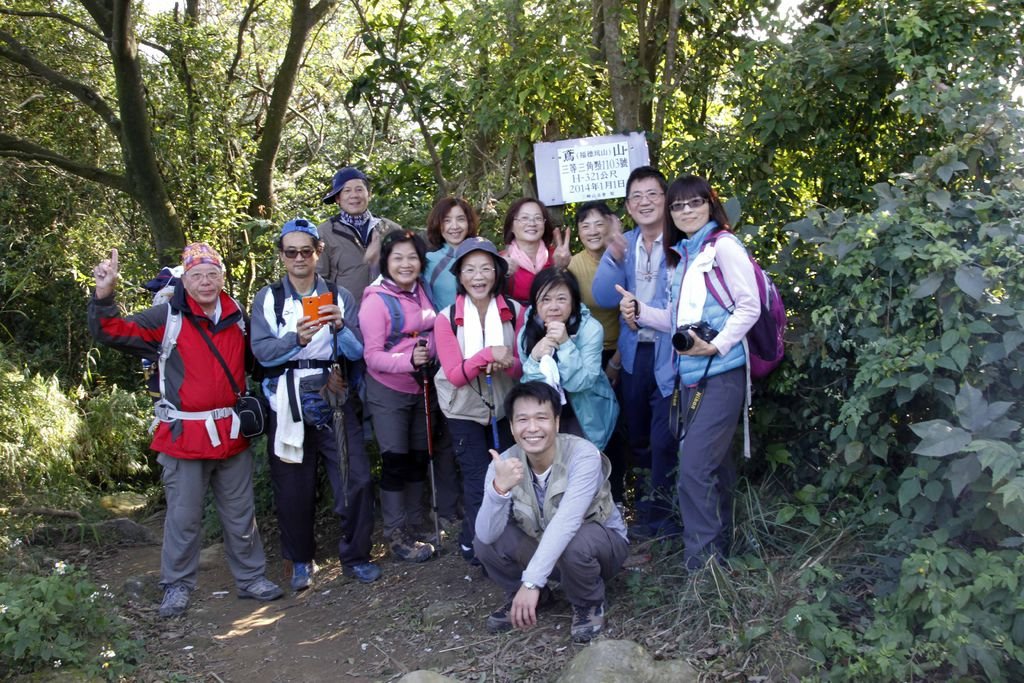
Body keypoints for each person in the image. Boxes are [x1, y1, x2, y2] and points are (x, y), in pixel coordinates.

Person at [89, 243, 282, 618]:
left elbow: (257, 359)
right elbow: (112, 331)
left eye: (213, 274)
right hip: (184, 434)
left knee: (241, 513)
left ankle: (251, 578)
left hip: (231, 431)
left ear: (223, 278)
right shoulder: (168, 316)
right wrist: (105, 293)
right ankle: (176, 586)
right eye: (197, 275)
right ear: (185, 278)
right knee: (183, 516)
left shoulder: (237, 314)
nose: (206, 282)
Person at [620, 175, 759, 570]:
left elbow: (750, 308)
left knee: (694, 470)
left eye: (694, 203)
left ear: (710, 205)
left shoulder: (723, 247)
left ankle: (703, 569)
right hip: (693, 374)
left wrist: (716, 345)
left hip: (722, 372)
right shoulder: (684, 253)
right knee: (714, 467)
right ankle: (723, 549)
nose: (686, 211)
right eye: (679, 206)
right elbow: (678, 320)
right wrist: (640, 311)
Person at [250, 219, 381, 589]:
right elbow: (261, 352)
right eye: (290, 251)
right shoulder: (270, 299)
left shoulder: (340, 296)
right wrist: (296, 340)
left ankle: (356, 556)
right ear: (281, 255)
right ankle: (300, 561)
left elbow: (361, 352)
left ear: (318, 253)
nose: (298, 258)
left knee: (354, 475)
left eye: (306, 250)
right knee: (292, 484)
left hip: (333, 390)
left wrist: (340, 328)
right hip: (286, 398)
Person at [474, 381, 629, 643]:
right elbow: (485, 535)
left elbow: (567, 521)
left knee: (574, 540)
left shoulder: (583, 455)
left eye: (541, 418)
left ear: (556, 423)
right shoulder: (505, 463)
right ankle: (534, 597)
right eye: (522, 419)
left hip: (600, 548)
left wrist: (531, 580)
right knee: (486, 541)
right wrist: (498, 490)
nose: (532, 428)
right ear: (511, 427)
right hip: (547, 551)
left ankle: (587, 602)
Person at [592, 166, 679, 539]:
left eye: (652, 194)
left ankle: (667, 513)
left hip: (669, 355)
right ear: (628, 206)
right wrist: (611, 258)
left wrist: (646, 310)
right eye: (636, 197)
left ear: (666, 200)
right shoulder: (624, 244)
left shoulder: (680, 243)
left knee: (664, 437)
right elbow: (600, 295)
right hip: (633, 356)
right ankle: (646, 513)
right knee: (639, 435)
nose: (645, 202)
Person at [433, 237, 524, 564]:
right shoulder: (446, 318)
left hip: (503, 408)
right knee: (476, 480)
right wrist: (486, 356)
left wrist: (507, 362)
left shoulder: (514, 311)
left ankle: (506, 540)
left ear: (498, 272)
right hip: (464, 411)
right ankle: (480, 549)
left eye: (486, 268)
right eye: (469, 269)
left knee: (509, 475)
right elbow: (455, 374)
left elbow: (523, 367)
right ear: (459, 275)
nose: (478, 276)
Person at [358, 230, 438, 562]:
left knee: (420, 455)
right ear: (386, 262)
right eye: (398, 258)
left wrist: (430, 350)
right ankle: (396, 533)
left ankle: (416, 521)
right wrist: (408, 360)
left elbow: (435, 330)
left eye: (412, 257)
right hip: (388, 388)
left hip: (422, 385)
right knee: (395, 459)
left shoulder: (423, 290)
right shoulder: (376, 300)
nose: (406, 264)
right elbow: (371, 355)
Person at [566, 201, 627, 503]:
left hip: (626, 351)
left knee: (625, 427)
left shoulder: (627, 256)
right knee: (597, 428)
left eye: (598, 223)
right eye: (584, 225)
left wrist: (617, 361)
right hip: (590, 356)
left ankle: (622, 495)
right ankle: (596, 497)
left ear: (611, 225)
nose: (592, 230)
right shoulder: (573, 265)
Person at [517, 268, 618, 452]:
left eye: (561, 299)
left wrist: (564, 344)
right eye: (545, 299)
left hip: (586, 414)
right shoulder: (527, 332)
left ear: (573, 301)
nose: (553, 306)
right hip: (545, 415)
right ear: (535, 302)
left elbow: (582, 382)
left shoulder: (590, 329)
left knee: (584, 467)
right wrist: (534, 358)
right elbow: (529, 388)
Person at [317, 166, 403, 301]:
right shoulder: (324, 233)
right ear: (337, 198)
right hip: (346, 315)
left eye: (359, 189)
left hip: (389, 312)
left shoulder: (391, 229)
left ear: (369, 194)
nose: (354, 195)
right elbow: (319, 279)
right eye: (347, 191)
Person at [500, 198, 571, 303]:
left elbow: (570, 297)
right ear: (511, 226)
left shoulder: (558, 256)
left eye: (538, 218)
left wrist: (561, 269)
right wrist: (501, 274)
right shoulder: (500, 260)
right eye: (524, 218)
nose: (532, 223)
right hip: (514, 318)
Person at [423, 197, 480, 311]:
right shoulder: (428, 261)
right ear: (438, 224)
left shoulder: (483, 257)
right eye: (446, 220)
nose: (454, 226)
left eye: (460, 219)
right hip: (443, 326)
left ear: (469, 223)